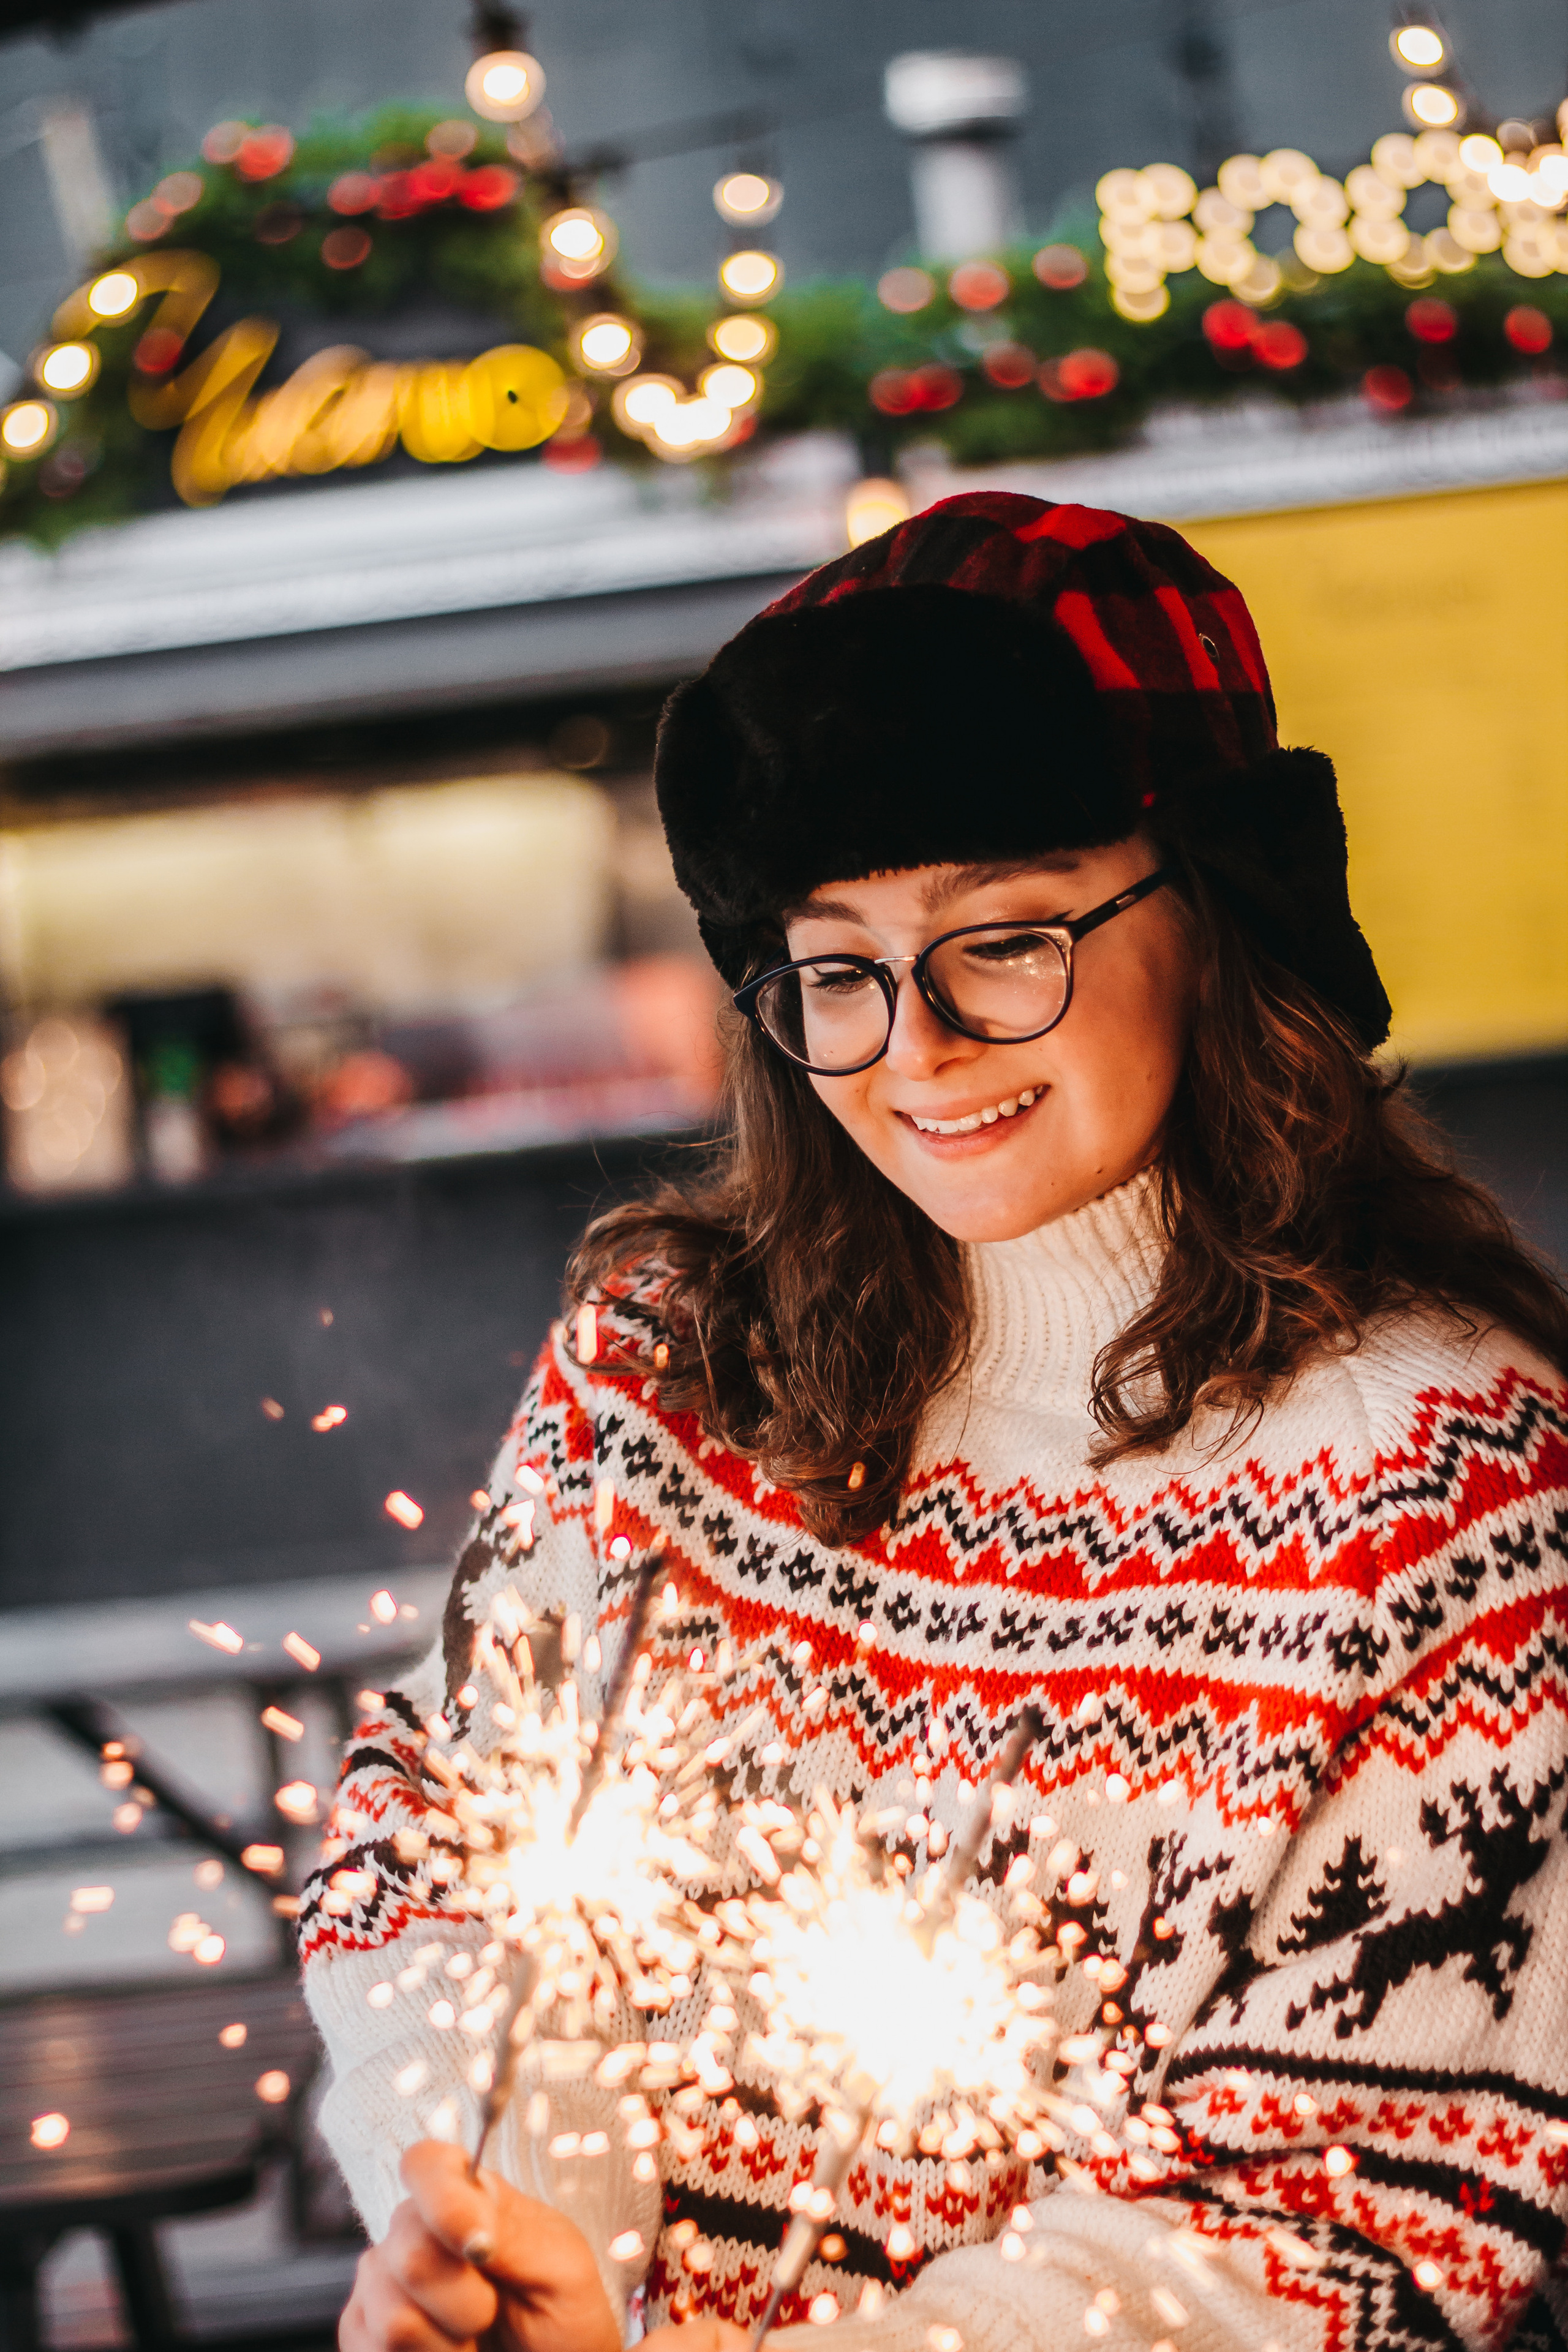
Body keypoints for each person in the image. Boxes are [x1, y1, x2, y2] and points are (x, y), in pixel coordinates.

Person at [303, 494, 1568, 2352]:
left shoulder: (1448, 1482)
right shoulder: (665, 1363)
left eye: (1002, 939)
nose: (915, 1047)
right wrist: (514, 2234)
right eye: (836, 967)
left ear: (1216, 912)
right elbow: (445, 1838)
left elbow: (1336, 2217)